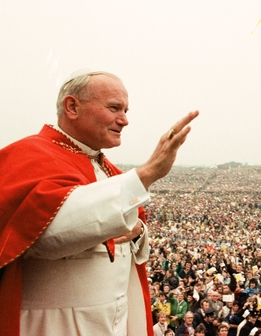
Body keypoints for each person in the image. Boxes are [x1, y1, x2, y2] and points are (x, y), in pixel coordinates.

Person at [0, 71, 199, 335]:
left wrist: (138, 230)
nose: (125, 120)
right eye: (114, 108)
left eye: (126, 110)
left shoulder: (106, 168)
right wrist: (147, 173)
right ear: (72, 107)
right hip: (54, 324)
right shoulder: (27, 156)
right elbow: (46, 233)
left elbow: (131, 231)